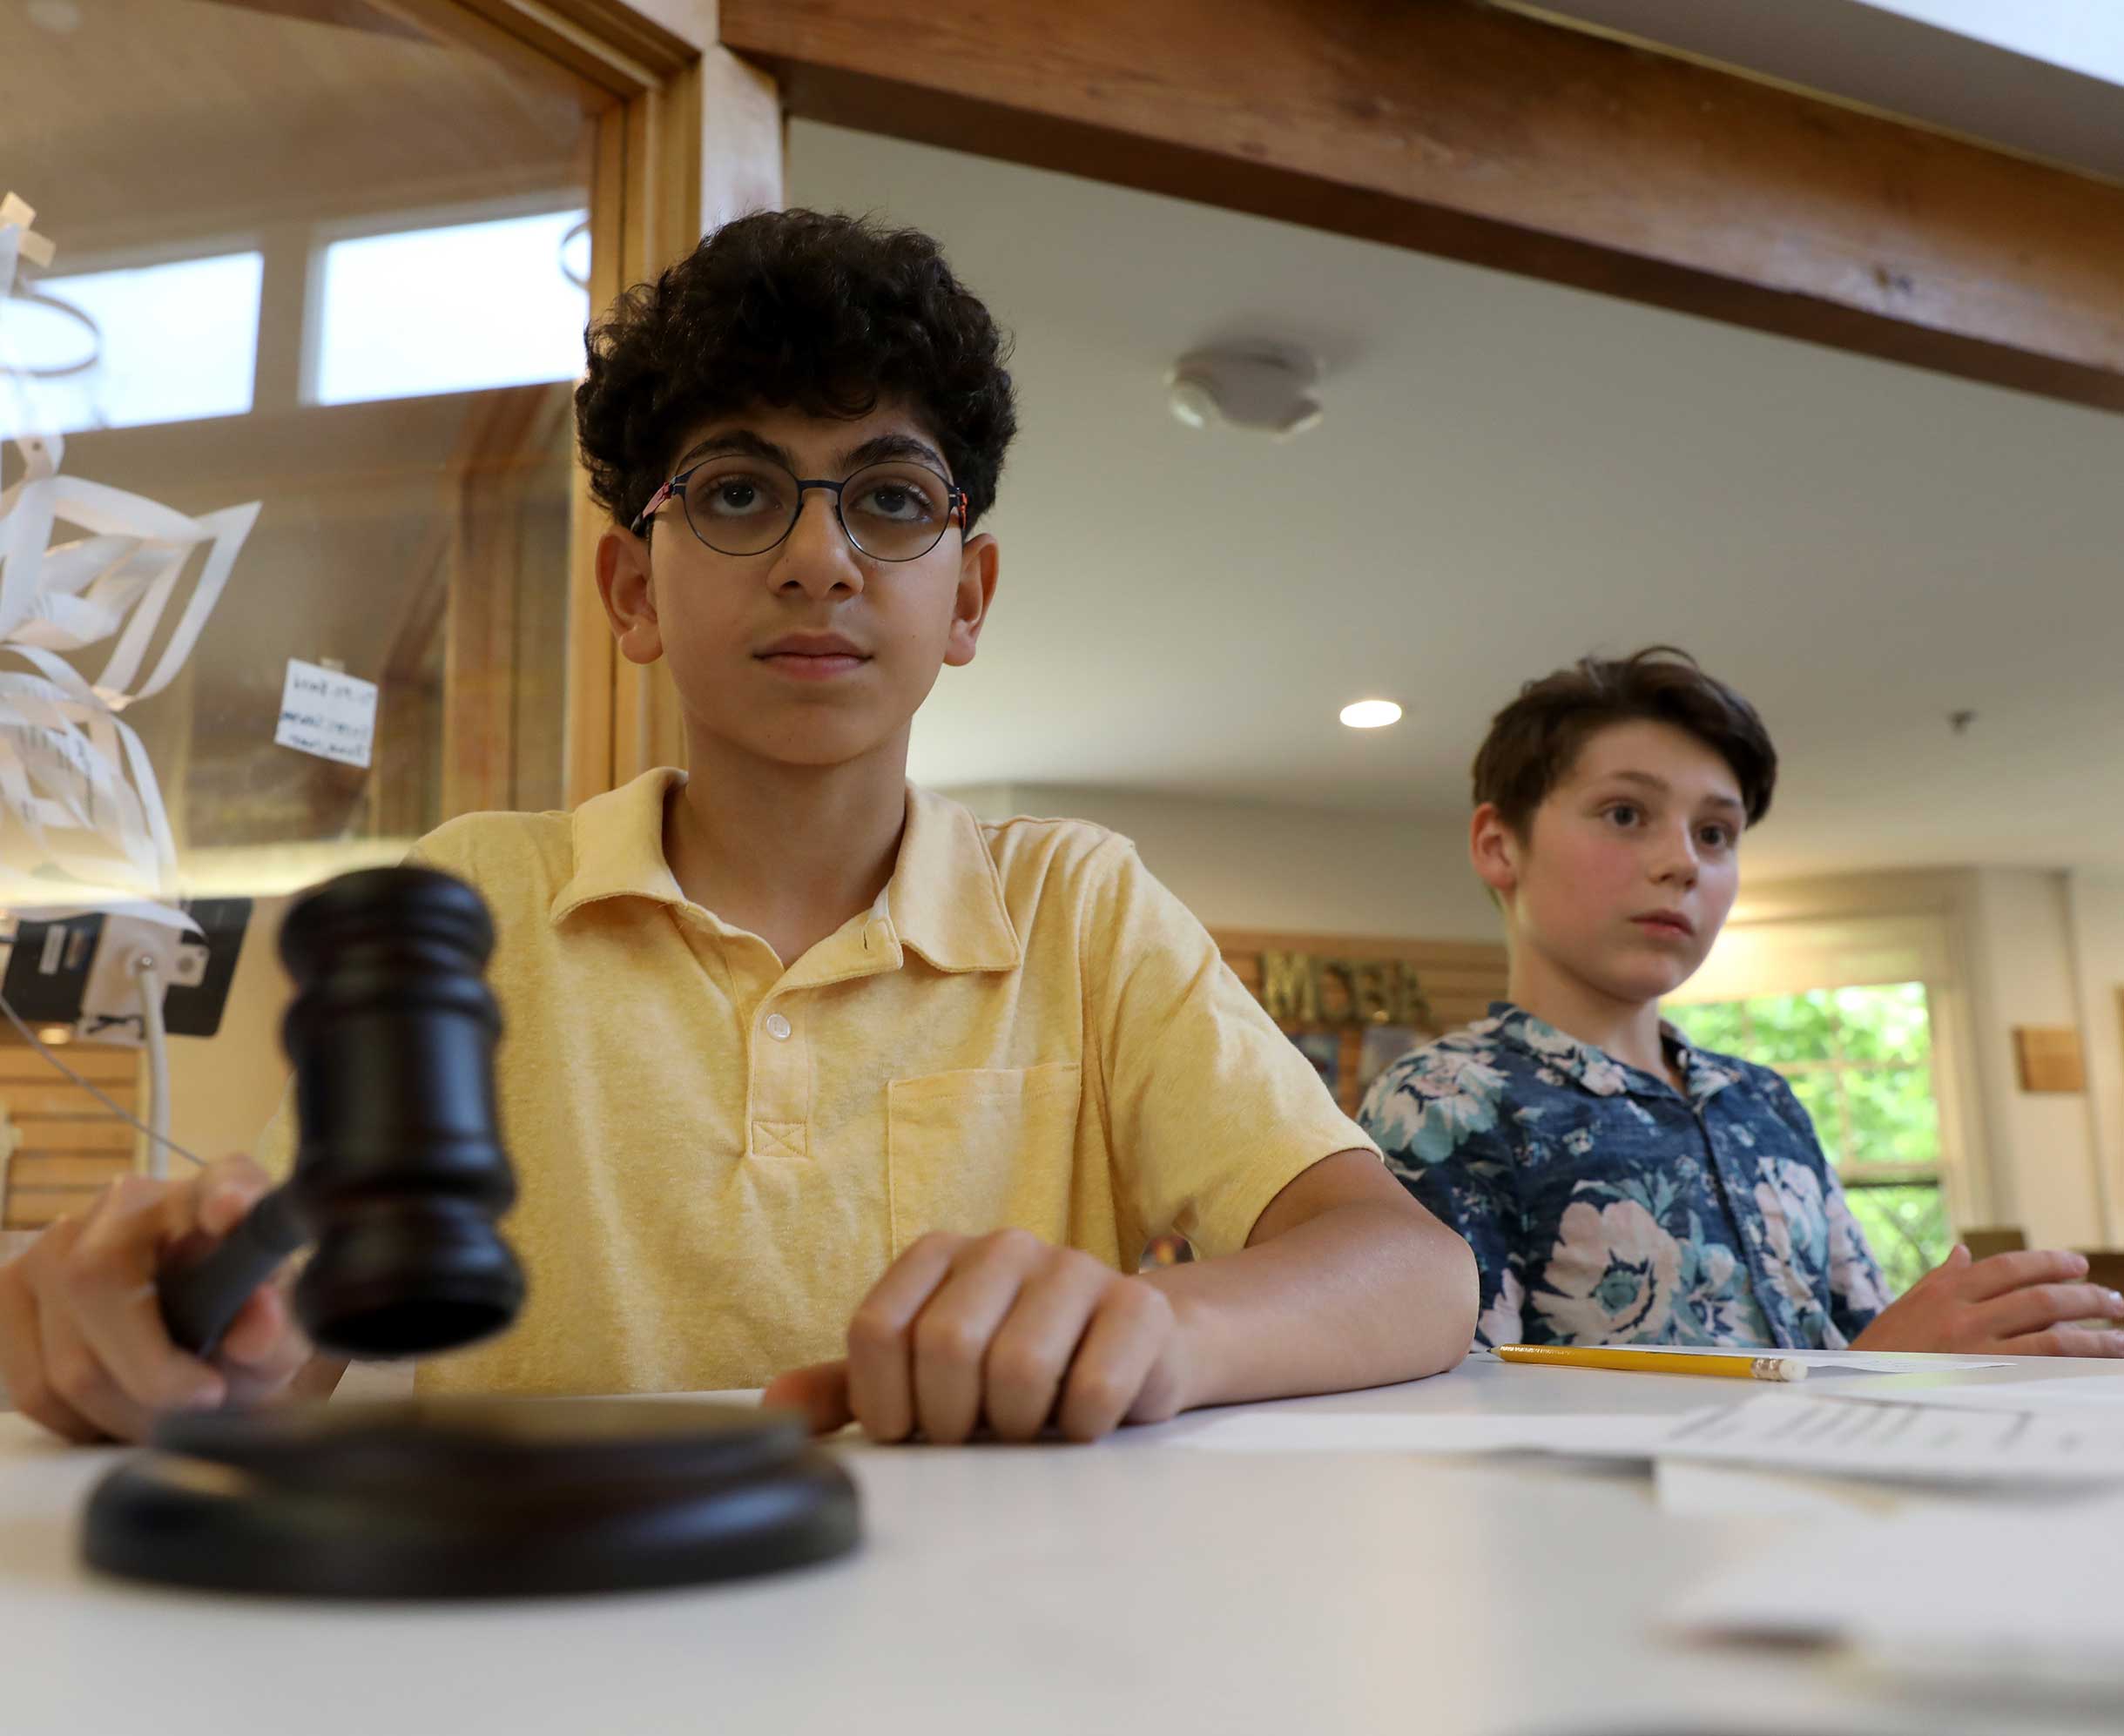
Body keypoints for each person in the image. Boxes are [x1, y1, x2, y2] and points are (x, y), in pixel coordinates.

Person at [0, 210, 1477, 1447]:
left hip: (990, 1640)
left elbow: (1407, 1268)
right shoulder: (477, 898)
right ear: (632, 593)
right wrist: (169, 1335)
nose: (818, 556)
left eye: (891, 499)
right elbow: (285, 1333)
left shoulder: (1074, 908)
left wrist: (1153, 1325)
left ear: (965, 597)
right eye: (735, 492)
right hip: (556, 1630)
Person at [1359, 646, 2124, 1357]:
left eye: (1715, 833)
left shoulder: (1763, 1102)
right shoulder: (1440, 1104)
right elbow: (1462, 1419)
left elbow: (1867, 1350)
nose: (1680, 862)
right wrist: (1882, 1369)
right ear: (1499, 845)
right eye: (1625, 814)